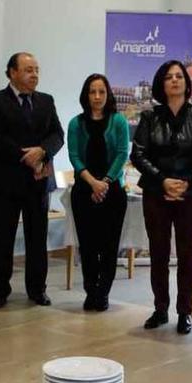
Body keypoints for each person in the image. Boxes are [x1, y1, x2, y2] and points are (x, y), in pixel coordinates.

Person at [130, 60, 192, 335]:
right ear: (161, 84)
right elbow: (138, 154)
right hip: (157, 191)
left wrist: (186, 180)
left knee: (187, 254)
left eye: (179, 76)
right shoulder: (149, 117)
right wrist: (163, 180)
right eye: (169, 77)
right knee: (158, 252)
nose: (175, 80)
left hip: (190, 192)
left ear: (187, 83)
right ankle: (160, 308)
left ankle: (184, 311)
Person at [0, 52, 64, 309]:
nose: (34, 75)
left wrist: (42, 151)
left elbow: (57, 134)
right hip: (5, 182)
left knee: (37, 238)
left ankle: (37, 289)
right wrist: (25, 156)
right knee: (2, 238)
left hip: (38, 181)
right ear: (12, 72)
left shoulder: (46, 101)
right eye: (28, 70)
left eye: (37, 69)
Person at [67, 74, 130, 311]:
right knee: (88, 245)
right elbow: (74, 156)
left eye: (101, 92)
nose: (97, 97)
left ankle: (103, 293)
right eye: (92, 92)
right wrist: (92, 182)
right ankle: (90, 290)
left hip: (112, 192)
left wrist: (105, 182)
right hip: (84, 191)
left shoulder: (119, 121)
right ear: (86, 95)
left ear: (108, 94)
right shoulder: (76, 123)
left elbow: (123, 153)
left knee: (109, 245)